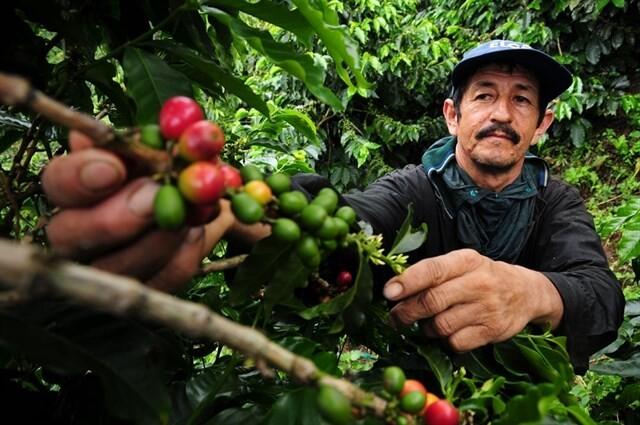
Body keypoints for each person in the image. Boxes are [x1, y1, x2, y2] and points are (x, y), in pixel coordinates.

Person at [41, 40, 624, 373]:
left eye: (521, 100)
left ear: (544, 123)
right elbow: (348, 216)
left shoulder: (555, 201)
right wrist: (251, 210)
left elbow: (601, 297)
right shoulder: (416, 189)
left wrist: (531, 292)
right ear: (453, 115)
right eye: (485, 96)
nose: (501, 113)